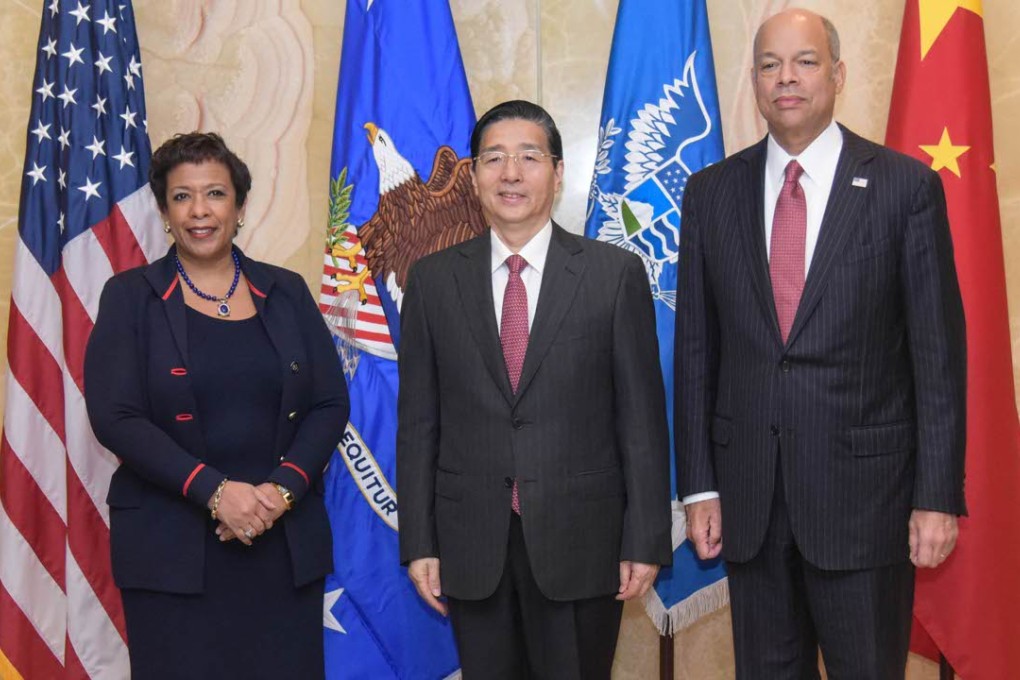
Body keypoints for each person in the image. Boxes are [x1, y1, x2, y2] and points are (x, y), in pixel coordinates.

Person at [676, 9, 966, 678]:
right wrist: (698, 489)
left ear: (836, 75)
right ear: (753, 80)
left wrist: (937, 494)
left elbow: (938, 359)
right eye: (771, 65)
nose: (787, 78)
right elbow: (695, 352)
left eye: (805, 62)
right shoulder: (710, 193)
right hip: (750, 502)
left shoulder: (904, 187)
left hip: (866, 502)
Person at [396, 100, 672, 679]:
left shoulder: (612, 275)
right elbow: (419, 422)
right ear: (472, 177)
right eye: (494, 159)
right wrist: (419, 541)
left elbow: (640, 421)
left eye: (529, 157)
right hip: (472, 541)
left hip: (584, 540)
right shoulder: (432, 280)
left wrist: (645, 538)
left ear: (558, 171)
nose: (511, 174)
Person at [84, 132, 349, 679]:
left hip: (281, 547)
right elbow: (115, 416)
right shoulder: (129, 297)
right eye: (182, 196)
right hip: (171, 553)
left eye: (215, 194)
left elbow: (328, 402)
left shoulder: (287, 291)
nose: (199, 211)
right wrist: (216, 491)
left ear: (240, 206)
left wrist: (279, 493)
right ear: (163, 211)